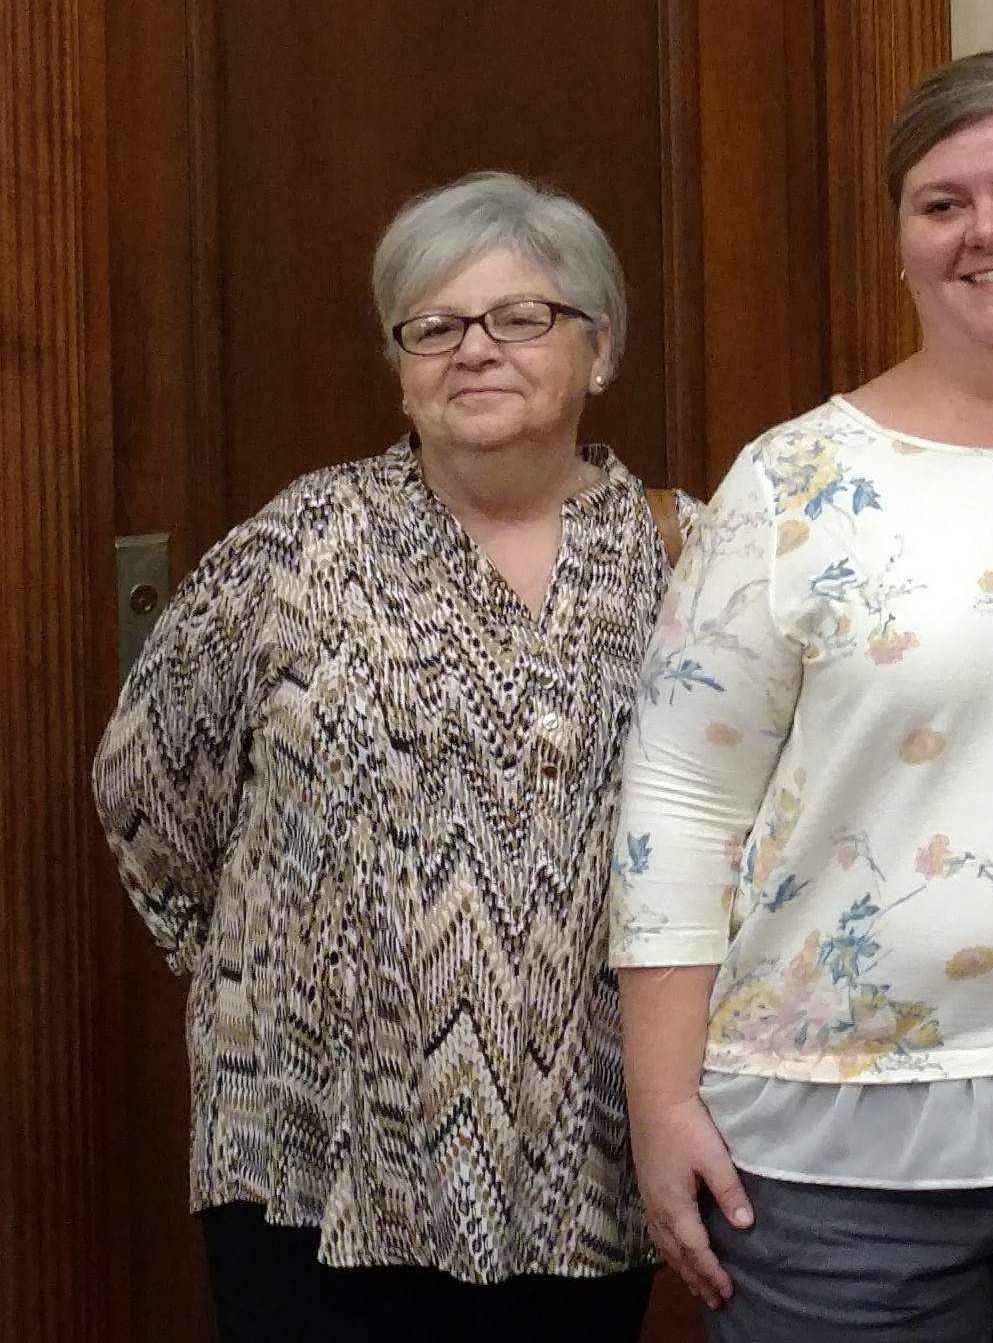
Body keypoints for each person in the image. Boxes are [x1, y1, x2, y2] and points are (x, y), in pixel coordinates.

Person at [613, 51, 993, 1343]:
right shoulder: (793, 479)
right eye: (942, 202)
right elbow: (677, 797)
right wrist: (660, 1100)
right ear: (899, 237)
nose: (988, 229)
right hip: (827, 1149)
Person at [93, 171, 670, 1342]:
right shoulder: (298, 544)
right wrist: (277, 972)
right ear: (400, 362)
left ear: (598, 349)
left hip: (584, 1147)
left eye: (521, 317)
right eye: (434, 325)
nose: (475, 349)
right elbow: (149, 779)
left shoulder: (689, 560)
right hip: (309, 1137)